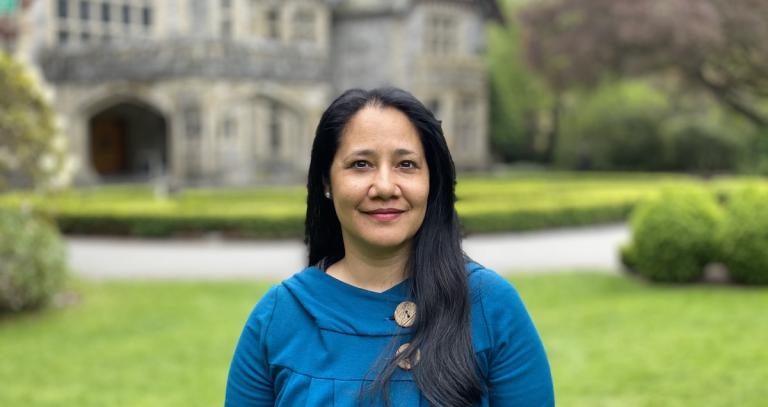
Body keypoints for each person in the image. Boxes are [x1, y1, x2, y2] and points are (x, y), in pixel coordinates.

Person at [225, 87, 554, 406]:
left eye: (406, 165)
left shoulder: (490, 307)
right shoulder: (279, 317)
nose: (384, 186)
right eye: (361, 164)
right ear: (326, 182)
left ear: (431, 181)